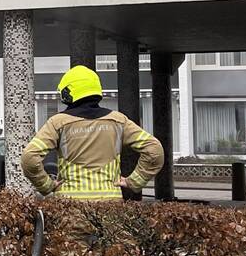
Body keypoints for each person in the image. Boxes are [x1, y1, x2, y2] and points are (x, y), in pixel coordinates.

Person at [21, 65, 163, 200]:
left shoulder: (57, 123)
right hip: (110, 206)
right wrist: (134, 182)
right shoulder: (118, 121)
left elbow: (29, 157)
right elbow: (154, 150)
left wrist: (46, 186)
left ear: (67, 94)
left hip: (69, 206)